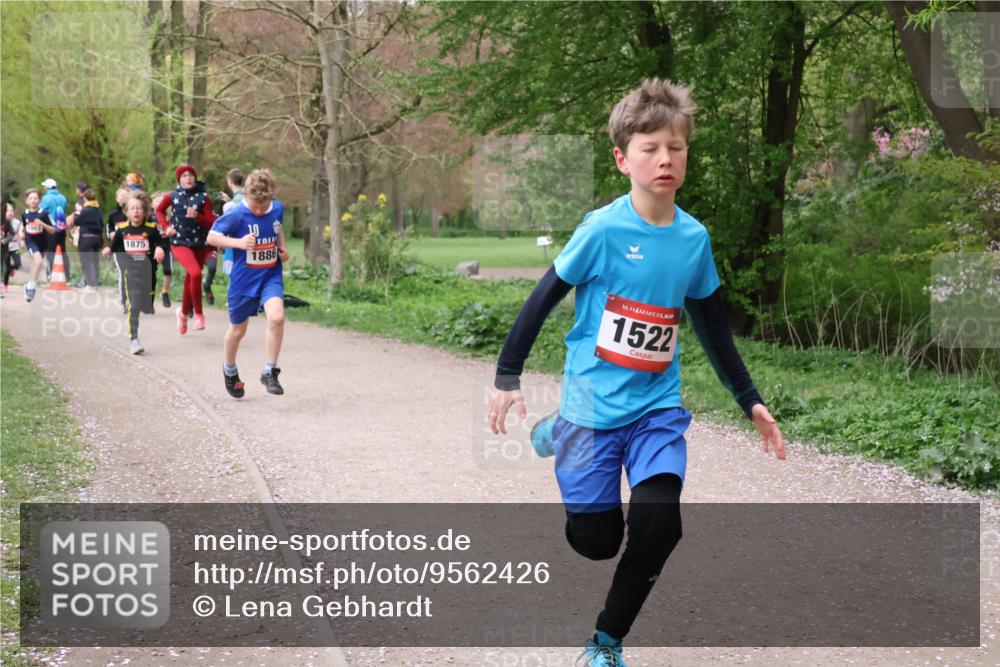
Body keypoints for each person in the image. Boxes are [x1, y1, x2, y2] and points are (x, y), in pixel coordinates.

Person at [487, 79, 787, 667]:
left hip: (656, 409)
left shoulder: (693, 239)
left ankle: (605, 642)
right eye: (650, 147)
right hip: (593, 409)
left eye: (676, 147)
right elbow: (544, 297)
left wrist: (749, 399)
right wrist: (506, 374)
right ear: (623, 158)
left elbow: (711, 325)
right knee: (597, 544)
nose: (665, 159)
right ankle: (557, 430)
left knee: (659, 524)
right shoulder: (601, 230)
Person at [207, 168, 289, 398]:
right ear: (247, 197)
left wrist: (282, 247)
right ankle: (230, 370)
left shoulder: (277, 208)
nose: (260, 211)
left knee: (277, 317)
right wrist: (239, 242)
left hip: (270, 276)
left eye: (263, 207)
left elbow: (278, 226)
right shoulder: (237, 213)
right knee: (238, 330)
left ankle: (270, 371)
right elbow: (211, 237)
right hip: (243, 281)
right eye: (255, 206)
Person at [155, 163, 217, 334]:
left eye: (191, 175)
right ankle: (198, 314)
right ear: (179, 179)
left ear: (195, 178)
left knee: (191, 279)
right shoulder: (172, 196)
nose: (188, 178)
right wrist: (166, 226)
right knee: (196, 273)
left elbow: (211, 223)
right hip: (179, 243)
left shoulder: (204, 198)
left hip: (200, 244)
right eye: (184, 176)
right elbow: (159, 210)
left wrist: (198, 217)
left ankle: (182, 314)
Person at [103, 191, 166, 354]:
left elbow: (161, 243)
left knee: (146, 305)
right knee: (134, 305)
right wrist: (108, 250)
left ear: (144, 211)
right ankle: (134, 339)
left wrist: (159, 248)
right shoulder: (122, 230)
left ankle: (148, 303)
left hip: (149, 273)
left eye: (139, 208)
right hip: (131, 272)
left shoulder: (152, 230)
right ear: (127, 212)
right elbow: (114, 244)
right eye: (132, 208)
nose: (136, 211)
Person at [18, 189, 55, 302]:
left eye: (35, 198)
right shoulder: (25, 214)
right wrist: (20, 232)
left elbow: (53, 230)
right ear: (26, 201)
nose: (33, 200)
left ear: (39, 200)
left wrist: (42, 224)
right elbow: (23, 226)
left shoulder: (44, 213)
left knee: (36, 265)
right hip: (31, 241)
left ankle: (28, 286)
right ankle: (31, 288)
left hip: (43, 243)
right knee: (38, 261)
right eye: (30, 198)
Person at [72, 188, 104, 291]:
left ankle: (90, 284)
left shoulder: (85, 210)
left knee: (87, 261)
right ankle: (95, 282)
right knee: (95, 260)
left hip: (86, 237)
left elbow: (77, 221)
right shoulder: (98, 209)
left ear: (85, 198)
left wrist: (77, 212)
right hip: (97, 237)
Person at [40, 178, 69, 283]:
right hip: (61, 228)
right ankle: (66, 276)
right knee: (63, 252)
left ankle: (51, 276)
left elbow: (40, 212)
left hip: (50, 229)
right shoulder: (63, 198)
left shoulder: (46, 198)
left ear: (47, 188)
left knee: (51, 252)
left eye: (45, 187)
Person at [149, 191, 175, 308]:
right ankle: (149, 297)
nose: (160, 206)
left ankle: (164, 292)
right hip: (152, 248)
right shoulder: (149, 218)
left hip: (166, 247)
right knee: (150, 273)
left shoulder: (169, 218)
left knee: (168, 270)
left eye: (162, 203)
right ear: (153, 205)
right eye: (157, 203)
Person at [218, 168, 245, 277]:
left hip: (234, 244)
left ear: (230, 181)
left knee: (234, 278)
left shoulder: (230, 206)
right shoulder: (248, 197)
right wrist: (229, 200)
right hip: (249, 242)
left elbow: (228, 225)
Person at [2, 202, 21, 294]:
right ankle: (5, 286)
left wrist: (22, 240)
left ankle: (12, 269)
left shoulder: (17, 223)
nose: (10, 212)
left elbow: (19, 233)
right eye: (7, 210)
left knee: (18, 264)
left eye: (12, 210)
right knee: (7, 268)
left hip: (14, 247)